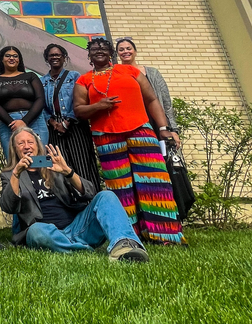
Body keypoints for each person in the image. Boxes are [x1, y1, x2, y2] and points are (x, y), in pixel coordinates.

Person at [73, 37, 185, 245]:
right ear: (88, 55)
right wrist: (99, 106)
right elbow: (79, 110)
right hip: (106, 137)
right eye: (94, 49)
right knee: (120, 187)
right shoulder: (83, 80)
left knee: (154, 181)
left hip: (140, 131)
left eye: (103, 48)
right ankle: (128, 233)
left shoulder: (130, 72)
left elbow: (151, 99)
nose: (99, 51)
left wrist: (163, 128)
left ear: (110, 53)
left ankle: (163, 233)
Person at [0, 126, 149, 261]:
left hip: (77, 227)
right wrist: (16, 174)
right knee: (36, 231)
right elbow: (8, 206)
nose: (26, 146)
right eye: (21, 143)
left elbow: (90, 192)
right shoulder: (10, 175)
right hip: (45, 232)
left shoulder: (54, 166)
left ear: (37, 146)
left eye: (30, 142)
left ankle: (125, 245)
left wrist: (68, 172)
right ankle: (83, 250)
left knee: (106, 196)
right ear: (14, 149)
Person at [40, 43, 101, 189]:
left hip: (76, 124)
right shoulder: (42, 81)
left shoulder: (74, 77)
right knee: (61, 163)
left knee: (83, 162)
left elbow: (80, 100)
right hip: (54, 128)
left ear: (64, 58)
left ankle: (91, 197)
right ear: (47, 59)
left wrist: (67, 122)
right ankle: (70, 202)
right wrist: (53, 123)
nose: (55, 57)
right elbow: (41, 105)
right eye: (51, 55)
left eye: (58, 55)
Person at [115, 37, 180, 143]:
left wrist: (173, 130)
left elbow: (166, 103)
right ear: (117, 53)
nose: (125, 51)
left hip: (157, 121)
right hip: (133, 124)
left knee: (165, 155)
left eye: (128, 48)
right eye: (121, 50)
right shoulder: (116, 74)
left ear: (135, 51)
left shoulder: (152, 73)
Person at [0, 46, 48, 157]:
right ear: (1, 59)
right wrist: (12, 123)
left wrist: (24, 121)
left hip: (35, 120)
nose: (11, 58)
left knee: (40, 160)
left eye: (15, 56)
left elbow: (40, 99)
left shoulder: (30, 76)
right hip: (8, 123)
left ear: (19, 60)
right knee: (13, 163)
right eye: (8, 56)